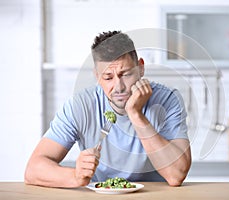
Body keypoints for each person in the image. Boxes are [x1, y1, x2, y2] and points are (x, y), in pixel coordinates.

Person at [25, 31, 191, 188]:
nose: (118, 87)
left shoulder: (168, 100)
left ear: (140, 68)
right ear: (97, 76)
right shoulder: (81, 106)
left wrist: (135, 114)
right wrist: (75, 176)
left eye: (125, 74)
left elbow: (176, 175)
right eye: (108, 77)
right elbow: (33, 170)